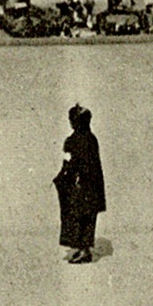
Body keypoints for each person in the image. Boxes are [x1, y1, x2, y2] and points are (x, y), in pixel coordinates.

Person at [53, 104, 106, 264]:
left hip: (81, 185)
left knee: (80, 216)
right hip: (89, 185)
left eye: (72, 119)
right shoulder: (90, 138)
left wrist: (64, 176)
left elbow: (74, 162)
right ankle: (83, 249)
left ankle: (84, 250)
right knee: (85, 216)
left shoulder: (77, 139)